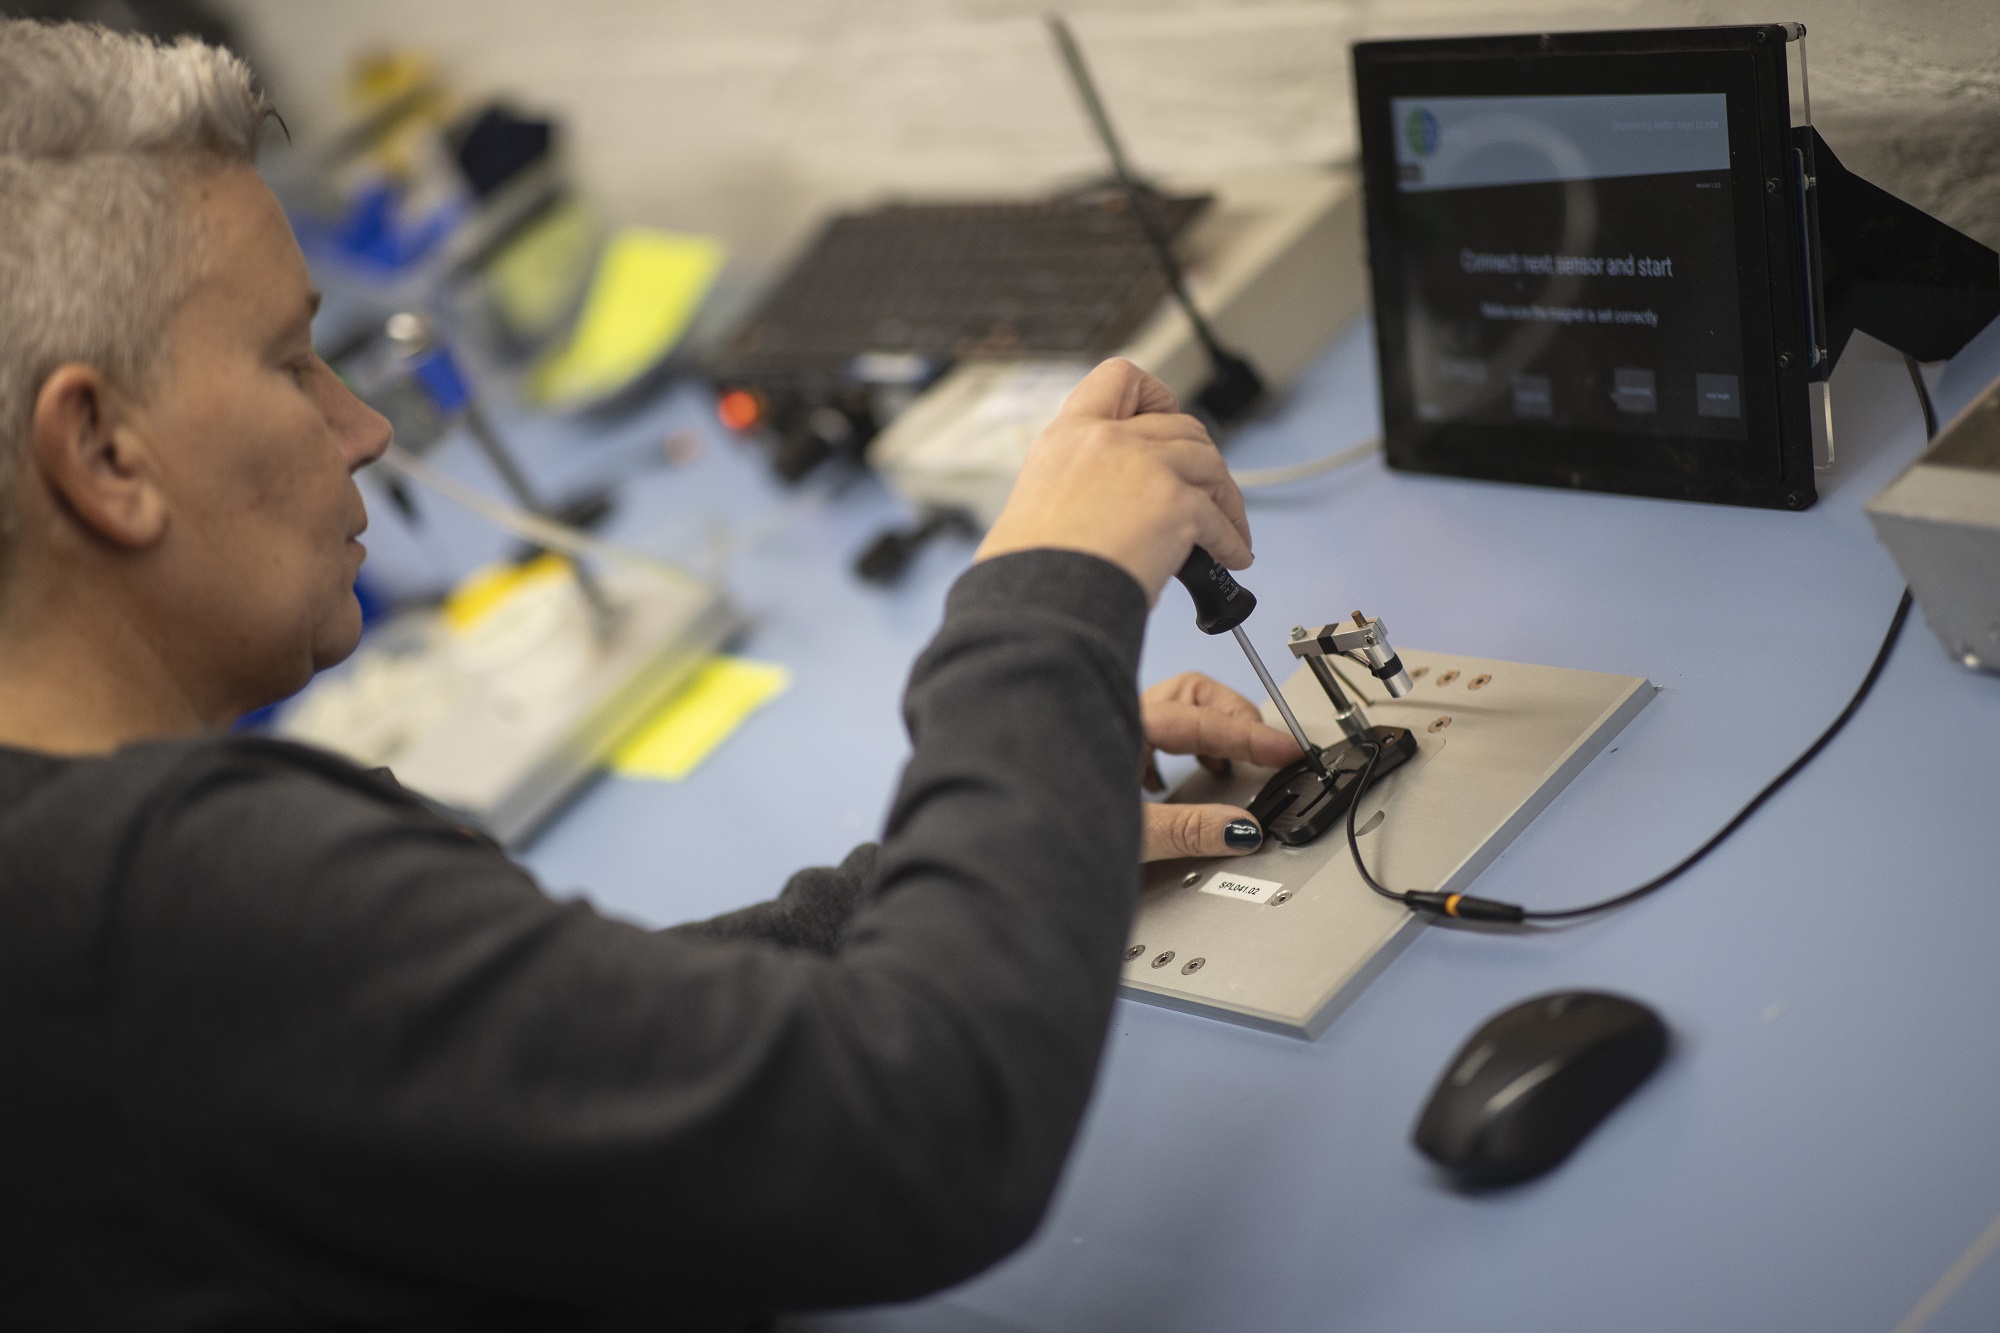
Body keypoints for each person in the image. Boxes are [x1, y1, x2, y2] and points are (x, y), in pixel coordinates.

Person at [0, 20, 1304, 1332]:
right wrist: (1048, 599)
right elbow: (916, 1127)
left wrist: (1016, 829)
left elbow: (532, 1082)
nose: (366, 426)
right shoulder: (167, 901)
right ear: (102, 452)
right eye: (291, 360)